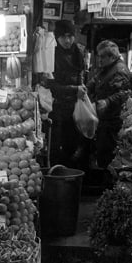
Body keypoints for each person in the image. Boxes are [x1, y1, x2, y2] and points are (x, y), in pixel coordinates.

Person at [42, 20, 88, 168]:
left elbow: (80, 75)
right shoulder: (51, 54)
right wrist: (75, 89)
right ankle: (57, 178)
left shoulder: (78, 52)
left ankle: (72, 178)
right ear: (57, 37)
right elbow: (51, 85)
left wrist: (81, 87)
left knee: (73, 143)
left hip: (74, 107)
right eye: (63, 37)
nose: (68, 40)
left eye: (70, 36)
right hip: (56, 108)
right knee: (56, 145)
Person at [82, 40, 131, 174]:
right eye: (98, 55)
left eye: (102, 56)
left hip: (112, 120)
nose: (99, 59)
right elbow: (96, 80)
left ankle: (108, 182)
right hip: (101, 117)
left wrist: (108, 101)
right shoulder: (107, 68)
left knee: (107, 152)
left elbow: (123, 94)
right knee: (100, 150)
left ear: (112, 57)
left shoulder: (120, 70)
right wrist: (86, 88)